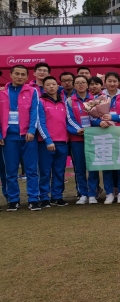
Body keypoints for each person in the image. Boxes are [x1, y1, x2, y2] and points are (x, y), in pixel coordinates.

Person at [1, 65, 41, 211]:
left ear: (27, 77)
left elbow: (35, 111)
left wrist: (31, 130)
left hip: (28, 137)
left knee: (31, 170)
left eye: (23, 74)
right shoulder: (2, 93)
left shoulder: (32, 91)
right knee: (11, 171)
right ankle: (13, 200)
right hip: (9, 138)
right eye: (17, 74)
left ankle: (33, 199)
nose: (20, 77)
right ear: (10, 75)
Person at [92, 72, 120, 204]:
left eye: (115, 81)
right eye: (109, 81)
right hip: (104, 135)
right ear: (105, 82)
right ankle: (109, 193)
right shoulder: (98, 97)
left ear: (118, 83)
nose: (112, 83)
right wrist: (100, 122)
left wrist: (113, 117)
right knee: (107, 166)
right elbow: (91, 117)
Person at [37, 76, 69, 207]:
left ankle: (57, 196)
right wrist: (48, 140)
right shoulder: (41, 102)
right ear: (44, 87)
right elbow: (40, 123)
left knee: (59, 171)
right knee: (45, 172)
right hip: (46, 143)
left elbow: (68, 121)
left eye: (53, 84)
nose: (51, 87)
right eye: (48, 84)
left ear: (58, 86)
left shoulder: (64, 102)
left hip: (62, 142)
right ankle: (44, 197)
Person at [66, 75, 98, 204]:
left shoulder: (95, 99)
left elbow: (98, 116)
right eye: (78, 83)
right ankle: (83, 194)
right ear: (74, 85)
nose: (81, 85)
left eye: (83, 82)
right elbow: (69, 119)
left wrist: (91, 128)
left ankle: (93, 193)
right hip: (77, 138)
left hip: (93, 138)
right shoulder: (69, 101)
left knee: (93, 167)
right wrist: (78, 129)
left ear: (88, 85)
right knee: (79, 168)